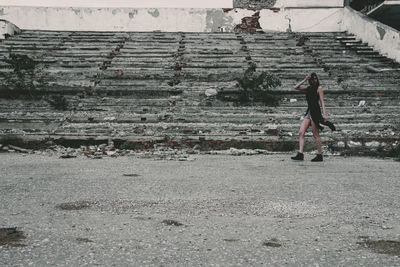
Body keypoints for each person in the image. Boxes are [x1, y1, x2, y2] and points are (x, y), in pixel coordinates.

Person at [291, 73, 335, 162]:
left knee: (315, 135)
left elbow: (322, 102)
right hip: (309, 112)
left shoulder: (319, 88)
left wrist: (325, 114)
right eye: (312, 79)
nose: (314, 80)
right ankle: (300, 154)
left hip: (315, 113)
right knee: (301, 132)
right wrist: (304, 79)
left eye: (315, 78)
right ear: (310, 80)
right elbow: (296, 87)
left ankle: (319, 155)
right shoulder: (309, 88)